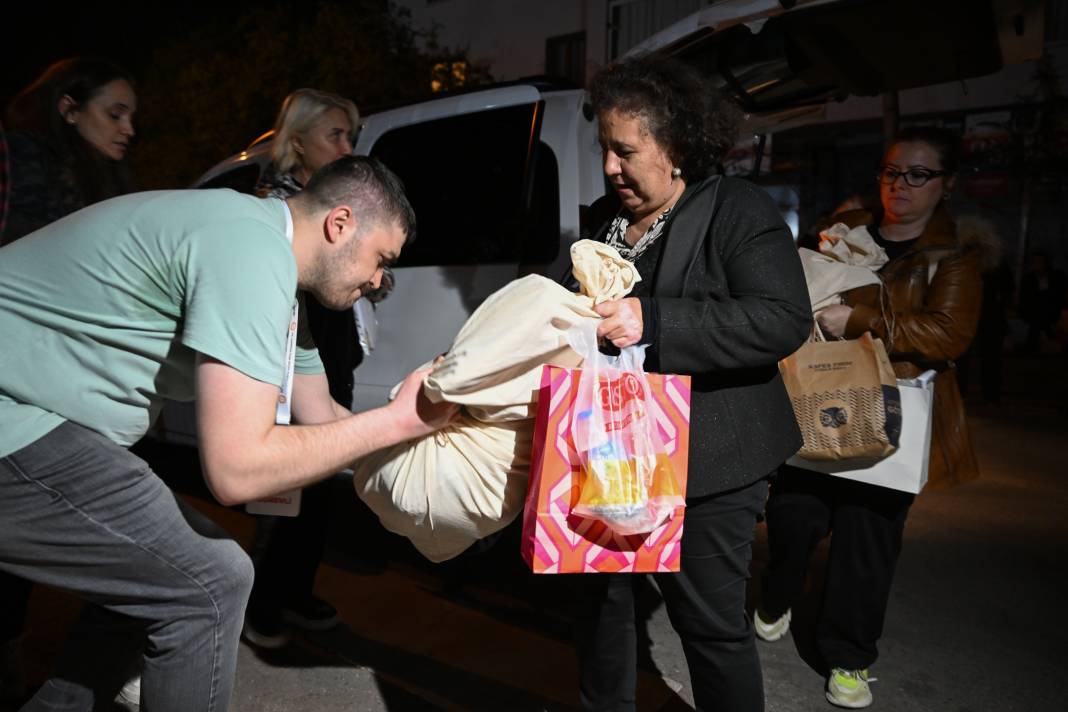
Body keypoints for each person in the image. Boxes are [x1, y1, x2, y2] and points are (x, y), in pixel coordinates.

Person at [0, 155, 457, 712]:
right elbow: (237, 469)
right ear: (339, 224)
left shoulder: (278, 272)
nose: (379, 280)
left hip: (43, 421)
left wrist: (435, 447)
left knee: (153, 577)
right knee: (210, 586)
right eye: (382, 259)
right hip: (15, 416)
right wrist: (396, 418)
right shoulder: (250, 251)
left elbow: (325, 418)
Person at [564, 54, 812, 711]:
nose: (610, 167)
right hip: (615, 448)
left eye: (625, 151)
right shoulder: (603, 220)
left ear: (674, 146)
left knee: (706, 620)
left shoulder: (734, 207)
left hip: (713, 453)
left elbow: (782, 318)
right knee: (607, 602)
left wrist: (652, 319)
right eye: (603, 150)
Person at [757, 126, 991, 708]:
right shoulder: (843, 233)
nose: (901, 185)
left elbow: (949, 334)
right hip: (817, 393)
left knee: (868, 539)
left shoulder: (953, 257)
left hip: (891, 412)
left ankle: (849, 657)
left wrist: (857, 321)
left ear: (946, 184)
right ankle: (778, 592)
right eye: (892, 172)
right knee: (793, 517)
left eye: (918, 174)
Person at [244, 88, 392, 647]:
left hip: (333, 357)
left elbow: (378, 283)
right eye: (335, 134)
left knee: (321, 486)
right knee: (281, 489)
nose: (347, 146)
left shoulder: (342, 208)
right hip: (288, 361)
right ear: (297, 139)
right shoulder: (277, 214)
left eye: (350, 135)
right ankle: (260, 604)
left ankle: (294, 591)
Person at [1, 57, 136, 245]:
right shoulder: (23, 156)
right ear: (70, 110)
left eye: (131, 117)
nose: (129, 129)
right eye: (115, 114)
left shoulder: (111, 177)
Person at [1018, 251, 1066, 354]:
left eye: (1040, 262)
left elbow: (1059, 296)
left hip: (1053, 312)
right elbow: (1025, 299)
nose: (1037, 265)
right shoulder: (1028, 279)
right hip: (1034, 313)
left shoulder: (1057, 276)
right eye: (1035, 262)